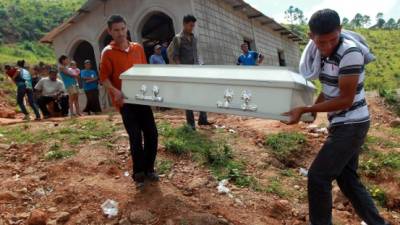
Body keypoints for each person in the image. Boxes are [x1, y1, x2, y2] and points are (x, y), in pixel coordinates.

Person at [283, 9, 390, 225]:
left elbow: (345, 99)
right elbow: (330, 89)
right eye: (322, 42)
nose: (328, 46)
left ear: (340, 31)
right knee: (347, 179)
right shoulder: (319, 55)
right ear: (310, 36)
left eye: (333, 40)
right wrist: (313, 108)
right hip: (343, 123)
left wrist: (305, 109)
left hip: (352, 124)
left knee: (318, 177)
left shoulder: (350, 52)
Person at [100, 15, 159, 188]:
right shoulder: (108, 52)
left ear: (127, 28)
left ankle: (150, 169)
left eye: (122, 29)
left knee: (152, 134)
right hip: (124, 102)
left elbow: (145, 72)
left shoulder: (138, 48)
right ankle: (138, 173)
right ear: (110, 31)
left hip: (141, 99)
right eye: (116, 30)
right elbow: (104, 78)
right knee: (135, 136)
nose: (120, 33)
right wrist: (114, 90)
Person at [169, 14, 212, 130]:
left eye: (193, 26)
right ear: (184, 24)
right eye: (190, 25)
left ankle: (203, 119)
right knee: (188, 98)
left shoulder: (194, 38)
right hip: (185, 72)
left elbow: (196, 54)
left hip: (196, 70)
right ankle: (190, 125)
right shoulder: (177, 38)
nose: (192, 27)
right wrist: (181, 70)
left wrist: (200, 66)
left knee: (202, 94)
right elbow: (175, 56)